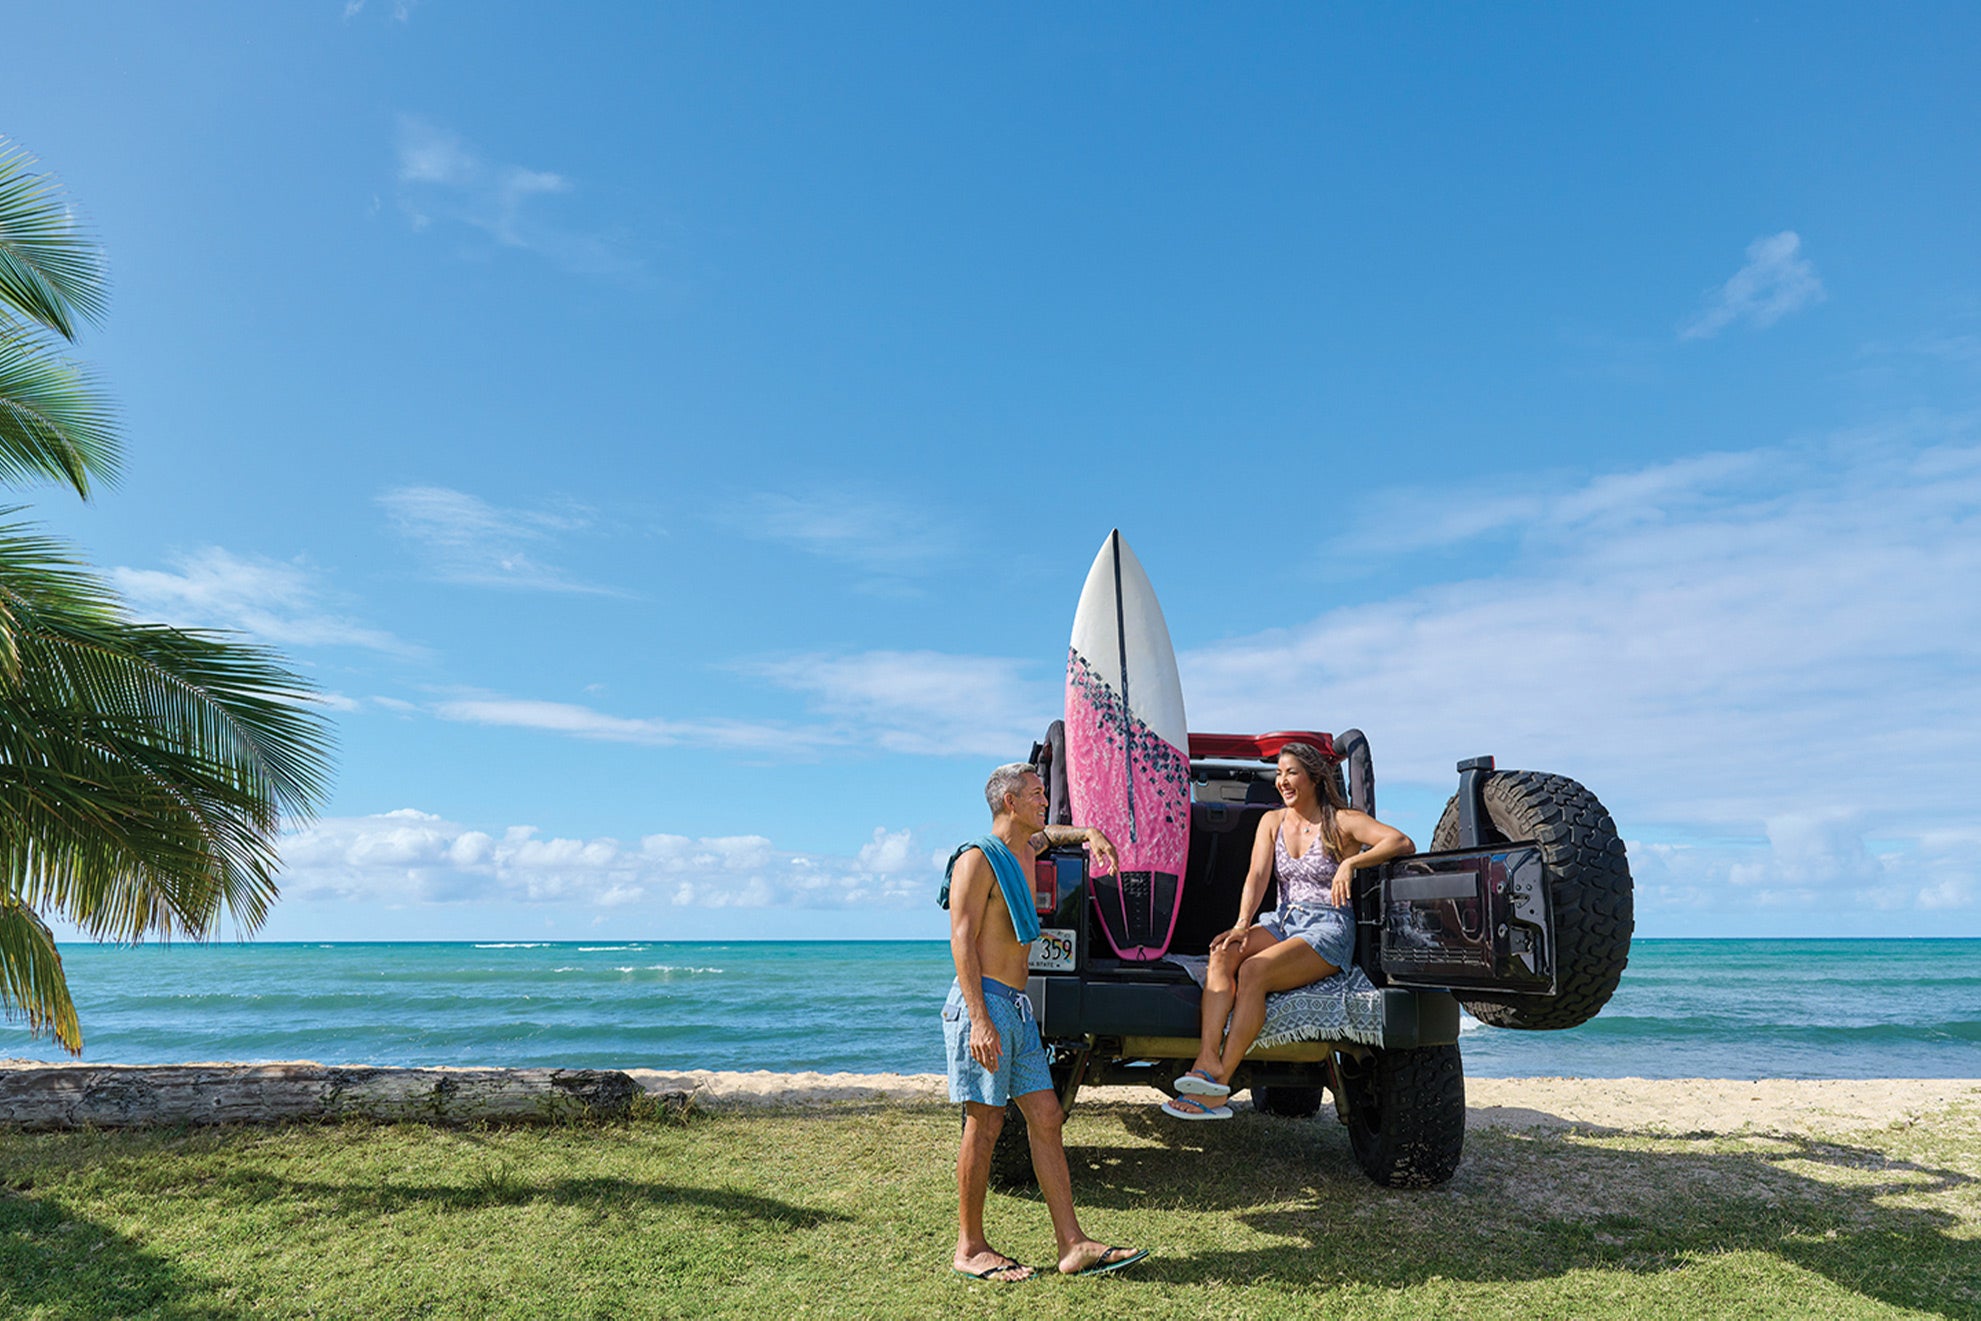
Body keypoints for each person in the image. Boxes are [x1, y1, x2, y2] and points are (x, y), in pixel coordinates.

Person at [940, 762, 1149, 1282]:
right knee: (984, 1122)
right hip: (983, 1005)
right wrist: (981, 1021)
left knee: (1047, 1116)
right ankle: (969, 1248)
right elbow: (961, 941)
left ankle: (1073, 1244)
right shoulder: (977, 859)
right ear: (1009, 802)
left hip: (1017, 1006)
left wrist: (1089, 833)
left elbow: (1052, 832)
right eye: (1035, 794)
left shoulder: (1026, 850)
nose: (1044, 801)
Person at [1163, 741, 1415, 1120]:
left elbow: (1401, 841)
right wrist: (1241, 925)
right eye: (1279, 773)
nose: (1282, 781)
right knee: (1222, 954)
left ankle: (1220, 1086)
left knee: (1253, 971)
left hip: (1326, 927)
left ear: (1314, 778)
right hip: (1282, 920)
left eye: (1291, 772)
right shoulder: (1272, 821)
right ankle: (1205, 1060)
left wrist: (1351, 864)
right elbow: (1257, 876)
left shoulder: (1342, 820)